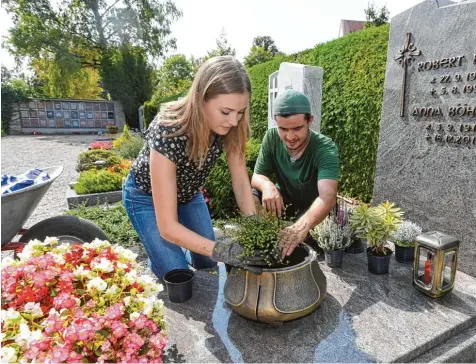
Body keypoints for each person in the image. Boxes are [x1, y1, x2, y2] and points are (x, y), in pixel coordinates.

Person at [123, 56, 265, 281]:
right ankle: (160, 255)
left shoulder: (232, 126)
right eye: (226, 112)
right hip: (145, 197)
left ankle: (175, 248)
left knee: (207, 262)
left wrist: (256, 233)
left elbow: (240, 181)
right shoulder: (168, 128)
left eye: (240, 112)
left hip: (188, 194)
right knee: (177, 273)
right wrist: (224, 251)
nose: (234, 122)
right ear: (201, 99)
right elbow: (168, 226)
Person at [251, 89, 340, 258]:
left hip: (313, 209)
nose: (290, 136)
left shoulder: (325, 149)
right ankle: (264, 236)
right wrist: (267, 185)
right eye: (283, 129)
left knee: (306, 247)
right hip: (286, 202)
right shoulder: (271, 138)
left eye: (297, 128)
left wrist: (300, 228)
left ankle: (294, 237)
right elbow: (256, 177)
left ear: (310, 121)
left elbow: (327, 196)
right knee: (254, 194)